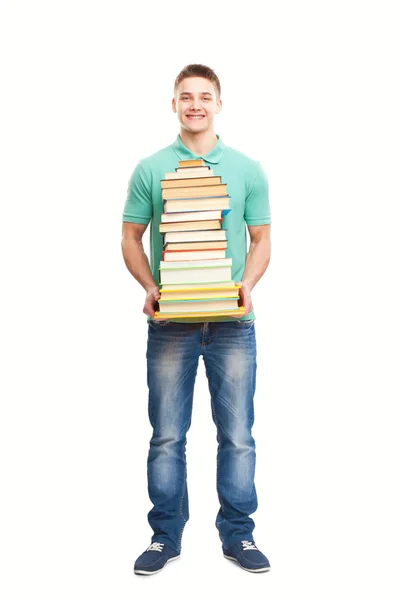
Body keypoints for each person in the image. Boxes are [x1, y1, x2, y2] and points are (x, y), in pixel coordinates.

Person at [121, 64, 272, 575]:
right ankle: (164, 536)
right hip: (172, 322)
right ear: (173, 105)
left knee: (238, 434)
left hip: (232, 323)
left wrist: (248, 285)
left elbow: (262, 240)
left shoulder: (247, 169)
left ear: (219, 104)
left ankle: (239, 536)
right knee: (166, 434)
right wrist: (148, 286)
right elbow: (130, 236)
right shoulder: (151, 168)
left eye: (204, 96)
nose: (195, 105)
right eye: (186, 97)